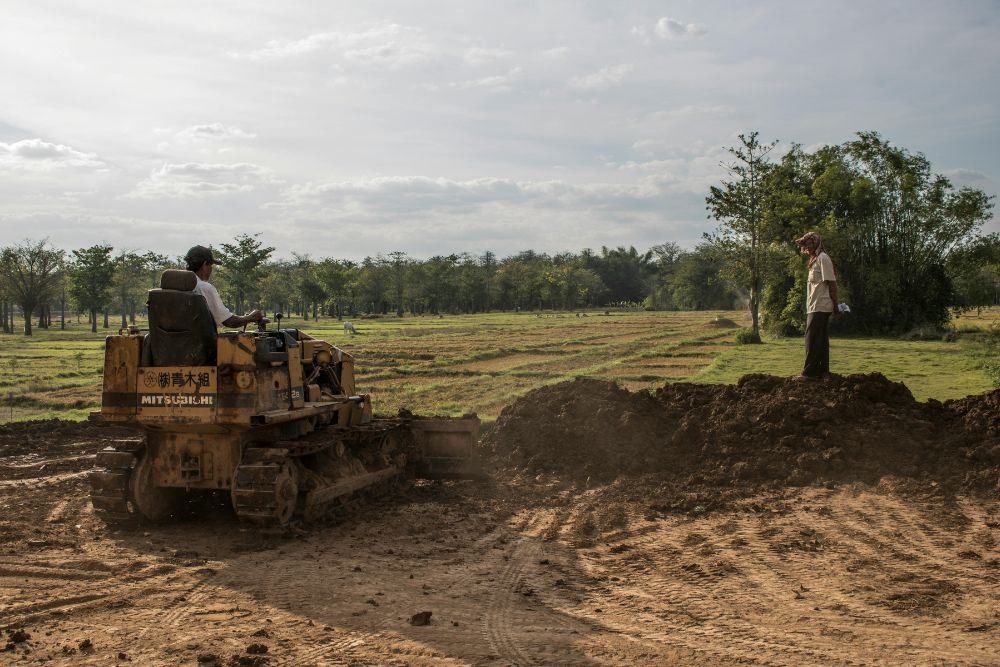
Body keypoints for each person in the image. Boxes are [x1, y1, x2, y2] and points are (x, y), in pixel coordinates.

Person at [184, 245, 265, 329]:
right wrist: (251, 317)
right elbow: (229, 322)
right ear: (205, 264)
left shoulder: (175, 285)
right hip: (200, 341)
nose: (211, 270)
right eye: (210, 265)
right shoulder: (204, 287)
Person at [794, 232, 838, 379]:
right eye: (806, 245)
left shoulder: (823, 258)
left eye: (810, 244)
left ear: (817, 243)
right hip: (815, 305)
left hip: (821, 305)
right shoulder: (814, 260)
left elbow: (832, 283)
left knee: (811, 339)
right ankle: (822, 371)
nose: (807, 247)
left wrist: (836, 304)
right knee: (820, 339)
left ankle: (809, 373)